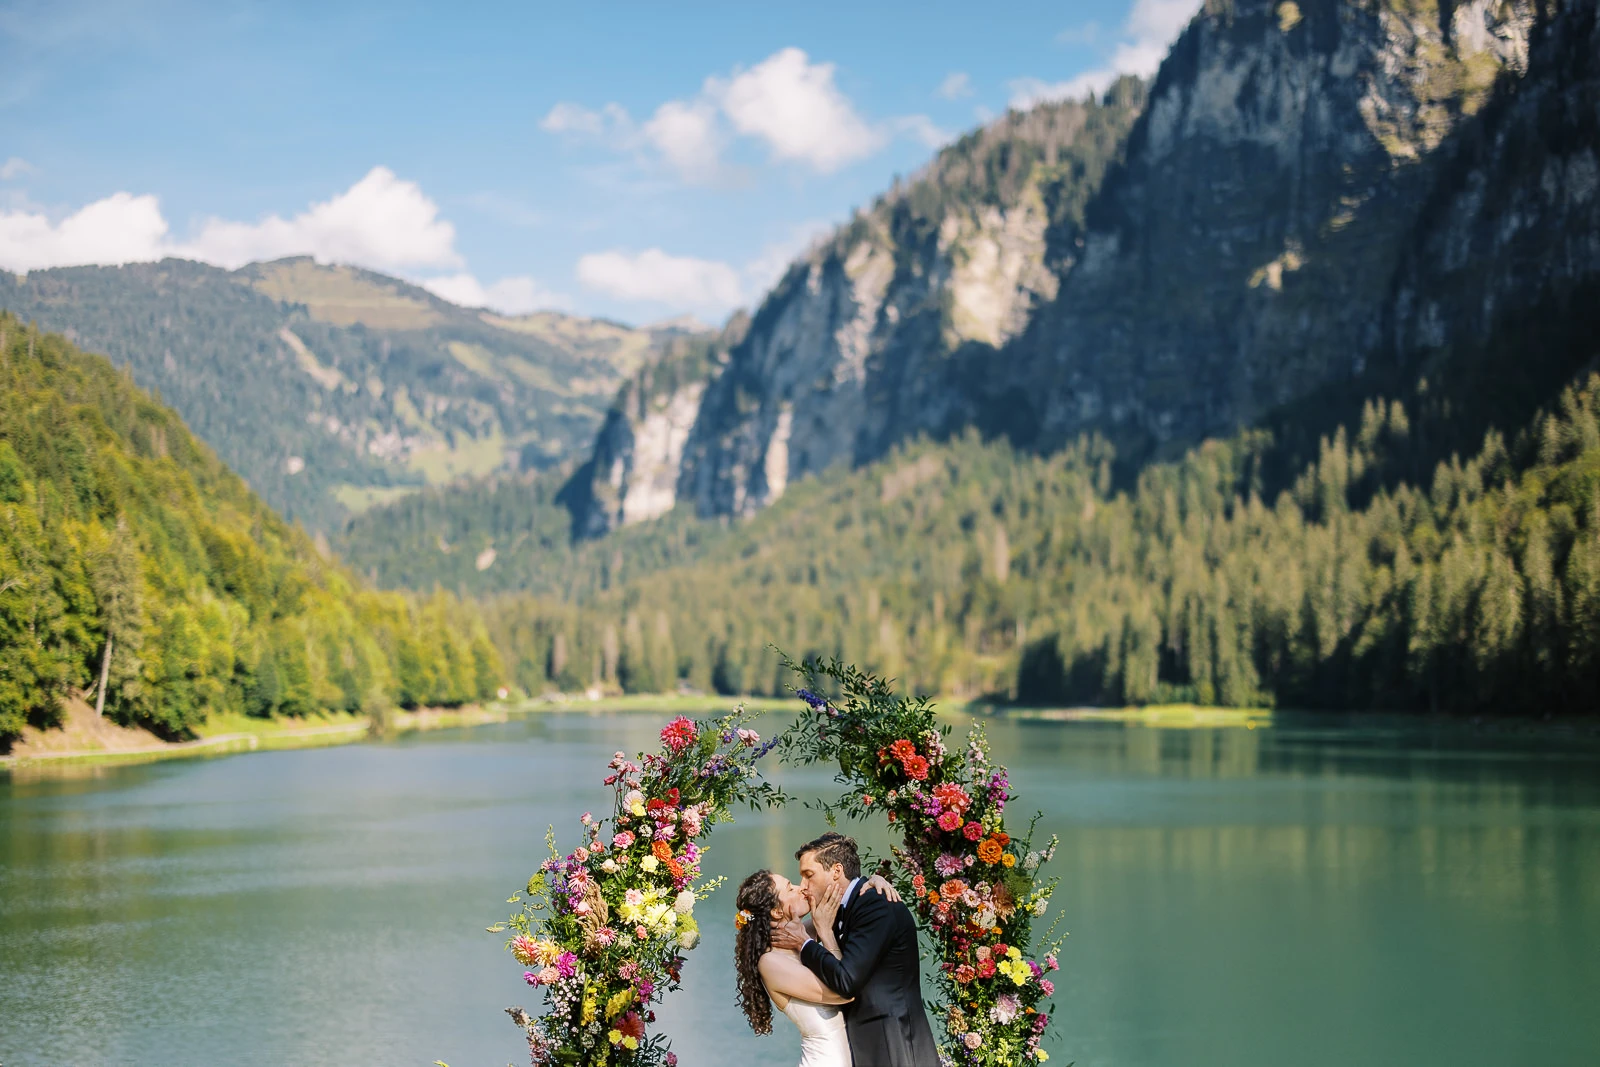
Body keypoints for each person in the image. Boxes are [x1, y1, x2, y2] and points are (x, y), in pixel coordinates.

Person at [770, 832, 939, 1067]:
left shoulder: (875, 905)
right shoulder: (835, 910)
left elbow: (847, 981)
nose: (804, 886)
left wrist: (805, 943)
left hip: (893, 1046)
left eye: (809, 875)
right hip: (864, 1048)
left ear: (836, 871)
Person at [733, 862, 903, 1066]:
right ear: (777, 912)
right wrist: (826, 933)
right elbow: (843, 992)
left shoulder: (801, 936)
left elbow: (840, 897)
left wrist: (874, 882)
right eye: (790, 888)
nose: (801, 888)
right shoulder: (770, 962)